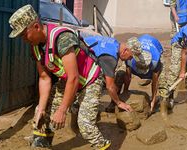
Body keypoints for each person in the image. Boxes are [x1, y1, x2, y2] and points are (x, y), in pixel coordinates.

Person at [8, 4, 112, 149]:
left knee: (86, 125)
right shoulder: (36, 45)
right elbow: (44, 78)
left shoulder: (62, 38)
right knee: (42, 112)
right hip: (68, 80)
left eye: (24, 34)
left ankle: (103, 145)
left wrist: (63, 109)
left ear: (37, 27)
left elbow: (74, 78)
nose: (23, 39)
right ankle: (42, 144)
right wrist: (42, 109)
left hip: (89, 80)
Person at [104, 34, 165, 112]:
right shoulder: (130, 58)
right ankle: (113, 102)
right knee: (120, 74)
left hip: (156, 47)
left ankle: (164, 106)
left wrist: (152, 100)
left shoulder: (155, 62)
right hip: (138, 49)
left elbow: (155, 82)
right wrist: (126, 93)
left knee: (163, 82)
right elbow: (128, 77)